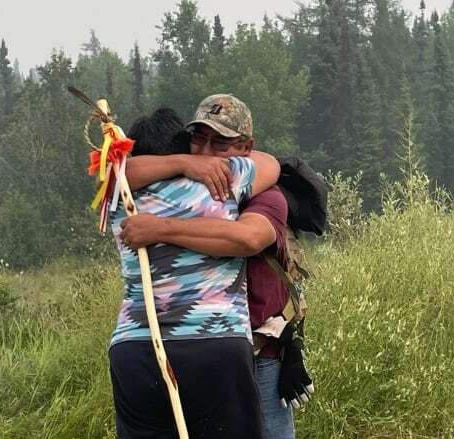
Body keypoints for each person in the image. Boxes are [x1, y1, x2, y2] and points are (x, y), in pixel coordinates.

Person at [121, 95, 314, 439]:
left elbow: (248, 238)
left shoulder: (265, 193)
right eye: (199, 138)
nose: (206, 152)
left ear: (246, 147)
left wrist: (158, 228)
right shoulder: (182, 182)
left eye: (220, 142)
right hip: (215, 347)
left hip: (261, 351)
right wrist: (183, 164)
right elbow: (115, 174)